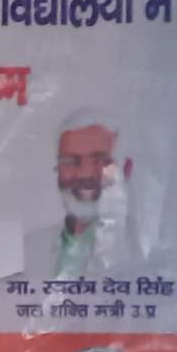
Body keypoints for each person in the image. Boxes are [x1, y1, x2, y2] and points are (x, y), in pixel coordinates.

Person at [44, 119, 127, 282]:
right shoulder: (27, 249)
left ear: (124, 169)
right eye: (71, 161)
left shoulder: (147, 248)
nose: (85, 174)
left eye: (100, 161)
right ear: (57, 170)